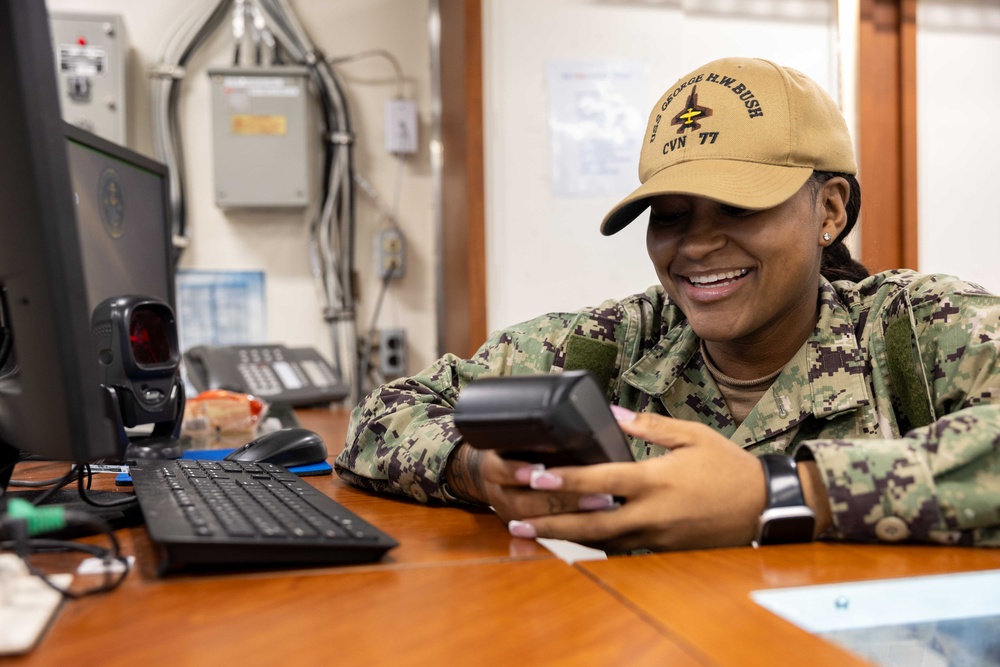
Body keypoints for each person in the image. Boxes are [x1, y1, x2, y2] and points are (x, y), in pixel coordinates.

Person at [336, 57, 1000, 551]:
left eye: (739, 207)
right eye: (672, 216)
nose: (698, 245)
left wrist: (786, 494)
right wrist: (477, 468)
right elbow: (381, 415)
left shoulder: (915, 331)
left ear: (829, 210)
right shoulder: (616, 343)